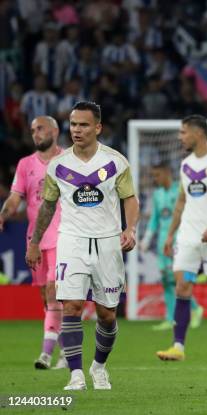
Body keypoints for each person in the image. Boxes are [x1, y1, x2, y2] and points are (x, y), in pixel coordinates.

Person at [25, 101, 139, 390]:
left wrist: (130, 228)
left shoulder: (115, 161)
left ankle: (98, 367)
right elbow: (47, 207)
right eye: (73, 124)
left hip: (107, 243)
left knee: (107, 314)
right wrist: (35, 242)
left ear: (98, 127)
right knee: (72, 306)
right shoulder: (58, 165)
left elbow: (130, 199)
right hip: (71, 241)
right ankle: (75, 375)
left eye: (84, 124)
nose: (77, 129)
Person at [156, 115, 207, 362]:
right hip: (188, 236)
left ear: (198, 133)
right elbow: (181, 201)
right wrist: (170, 234)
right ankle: (177, 347)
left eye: (183, 132)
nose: (180, 137)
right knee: (182, 286)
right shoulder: (185, 165)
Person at [0, 116, 66, 370]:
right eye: (32, 131)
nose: (35, 134)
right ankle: (64, 349)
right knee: (46, 297)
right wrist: (4, 214)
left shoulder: (68, 160)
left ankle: (46, 354)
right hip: (35, 240)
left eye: (40, 129)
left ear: (54, 131)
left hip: (63, 235)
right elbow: (16, 198)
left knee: (53, 290)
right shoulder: (25, 164)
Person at [140, 162, 204, 331]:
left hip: (179, 241)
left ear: (167, 172)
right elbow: (155, 219)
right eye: (153, 176)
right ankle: (170, 318)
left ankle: (196, 309)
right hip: (163, 243)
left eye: (158, 175)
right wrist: (147, 239)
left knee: (177, 279)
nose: (156, 178)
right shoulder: (157, 194)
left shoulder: (180, 190)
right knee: (166, 281)